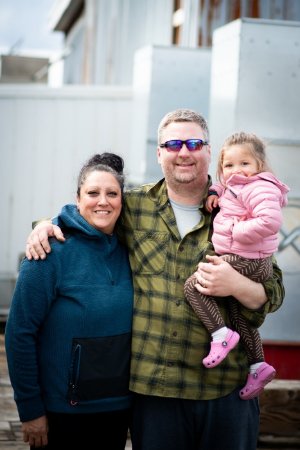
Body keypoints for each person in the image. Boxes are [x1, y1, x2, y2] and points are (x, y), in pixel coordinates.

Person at [25, 109, 285, 450]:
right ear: (159, 152)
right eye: (173, 143)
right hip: (155, 392)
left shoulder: (239, 204)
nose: (184, 152)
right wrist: (45, 223)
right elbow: (87, 213)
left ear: (209, 151)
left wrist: (236, 285)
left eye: (194, 143)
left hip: (225, 390)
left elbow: (274, 290)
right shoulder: (133, 206)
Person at [5, 153, 134, 449]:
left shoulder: (131, 251)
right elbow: (19, 334)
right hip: (62, 412)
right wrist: (30, 409)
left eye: (112, 193)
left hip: (116, 410)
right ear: (77, 199)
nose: (103, 201)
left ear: (122, 201)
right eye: (93, 193)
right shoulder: (48, 255)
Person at [184, 131, 289, 400]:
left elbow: (270, 222)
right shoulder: (240, 185)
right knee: (240, 317)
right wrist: (214, 192)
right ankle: (258, 365)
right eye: (229, 165)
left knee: (195, 285)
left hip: (249, 261)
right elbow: (229, 188)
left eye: (244, 164)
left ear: (259, 166)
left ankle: (220, 334)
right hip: (247, 258)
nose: (235, 170)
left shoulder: (261, 187)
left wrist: (234, 230)